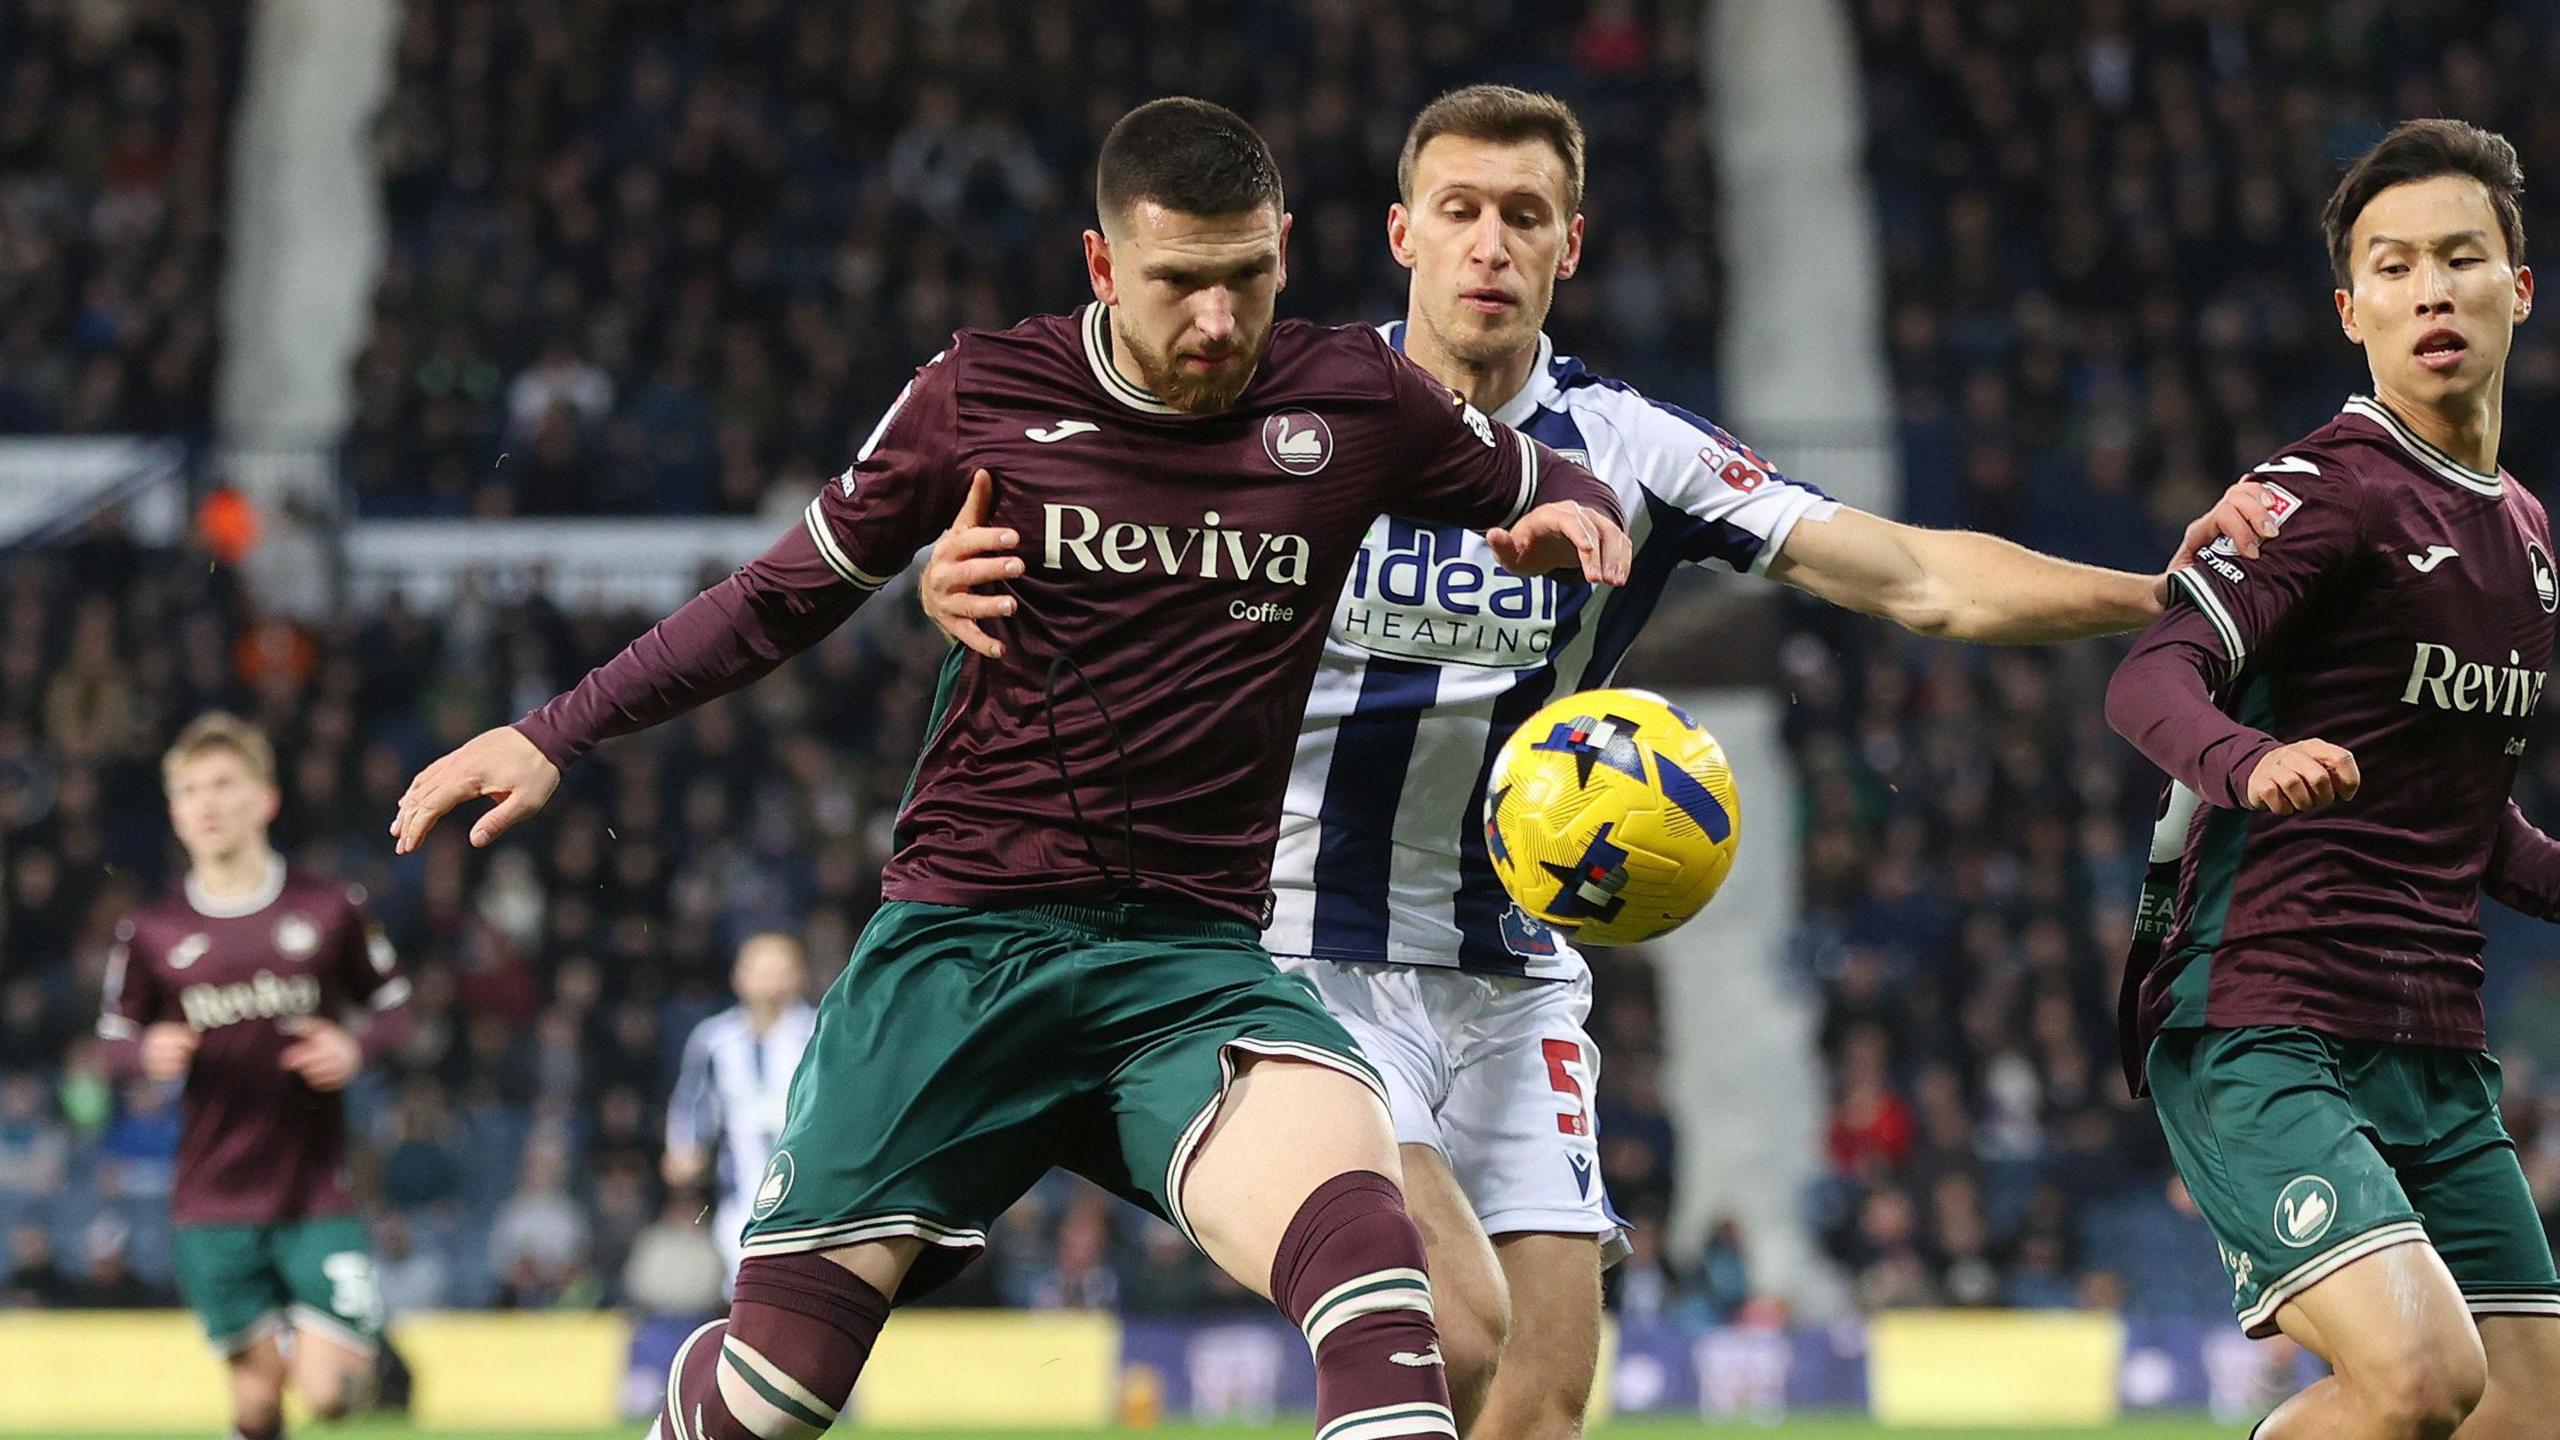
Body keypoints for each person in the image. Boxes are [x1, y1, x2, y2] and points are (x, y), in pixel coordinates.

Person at [921, 84, 2272, 1438]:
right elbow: (1078, 494)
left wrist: (2161, 593)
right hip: (1301, 958)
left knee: (1544, 1401)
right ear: (1403, 233)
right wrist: (950, 578)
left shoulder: (1633, 450)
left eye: (1526, 215)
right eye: (1459, 212)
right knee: (1448, 1327)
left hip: (1511, 972)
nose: (1490, 244)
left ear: (1573, 243)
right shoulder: (1286, 407)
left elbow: (1916, 575)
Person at [389, 97, 1632, 1440]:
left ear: (1287, 247)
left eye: (1247, 280)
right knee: (773, 1400)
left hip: (1191, 967)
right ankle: (718, 1388)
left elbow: (1559, 478)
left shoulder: (1351, 397)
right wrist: (552, 730)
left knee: (1384, 1289)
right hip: (965, 950)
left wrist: (1575, 515)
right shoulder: (982, 393)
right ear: (1102, 267)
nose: (1218, 324)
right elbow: (776, 597)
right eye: (1178, 286)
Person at [2109, 118, 2560, 1440]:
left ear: (2517, 290)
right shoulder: (2325, 491)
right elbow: (2151, 675)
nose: (2431, 289)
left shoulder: (2527, 538)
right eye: (2396, 265)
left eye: (2461, 259)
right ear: (2350, 308)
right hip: (2264, 1016)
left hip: (2434, 1044)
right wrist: (2252, 762)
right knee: (2422, 1380)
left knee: (2527, 1418)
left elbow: (2474, 831)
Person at [96, 713, 413, 1440]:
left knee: (329, 1395)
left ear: (265, 799)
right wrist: (147, 1054)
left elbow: (397, 1013)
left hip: (317, 1190)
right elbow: (110, 1042)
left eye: (223, 786)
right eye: (188, 791)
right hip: (212, 1199)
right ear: (174, 812)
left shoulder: (328, 908)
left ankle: (333, 1338)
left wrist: (355, 1048)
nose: (205, 805)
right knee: (258, 1408)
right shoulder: (153, 931)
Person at [665, 933, 818, 1283]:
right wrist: (683, 1149)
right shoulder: (715, 1039)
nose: (771, 981)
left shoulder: (819, 1033)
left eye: (781, 970)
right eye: (761, 970)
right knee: (743, 1290)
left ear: (800, 976)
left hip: (810, 1196)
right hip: (739, 1196)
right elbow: (691, 1102)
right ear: (739, 976)